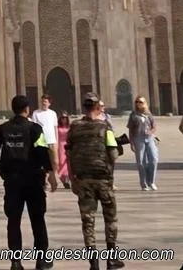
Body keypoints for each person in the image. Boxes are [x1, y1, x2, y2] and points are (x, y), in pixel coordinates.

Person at [0, 93, 56, 268]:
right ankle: (41, 259)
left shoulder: (3, 128)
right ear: (27, 109)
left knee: (13, 220)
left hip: (12, 181)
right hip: (33, 180)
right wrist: (51, 173)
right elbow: (42, 151)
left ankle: (15, 261)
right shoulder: (34, 129)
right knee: (37, 218)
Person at [66, 92, 123, 266]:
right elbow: (113, 154)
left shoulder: (74, 127)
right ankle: (112, 258)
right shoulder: (105, 127)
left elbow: (68, 153)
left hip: (83, 179)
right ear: (98, 107)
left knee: (88, 220)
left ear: (84, 107)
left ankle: (94, 263)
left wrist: (72, 178)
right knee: (110, 218)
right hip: (103, 179)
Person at [126, 96, 158, 191]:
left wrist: (151, 132)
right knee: (141, 162)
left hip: (149, 138)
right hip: (138, 139)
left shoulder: (148, 114)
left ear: (144, 103)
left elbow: (154, 126)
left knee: (153, 159)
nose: (138, 103)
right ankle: (144, 184)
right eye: (137, 102)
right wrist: (131, 143)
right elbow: (130, 130)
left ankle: (151, 181)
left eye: (140, 102)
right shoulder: (133, 115)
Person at [32, 94, 59, 172]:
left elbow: (55, 128)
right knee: (42, 163)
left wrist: (56, 141)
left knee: (55, 162)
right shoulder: (36, 113)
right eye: (42, 101)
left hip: (52, 141)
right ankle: (45, 180)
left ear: (49, 103)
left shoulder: (53, 113)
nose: (44, 103)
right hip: (41, 142)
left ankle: (54, 177)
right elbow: (33, 128)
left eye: (45, 102)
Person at [56, 112, 71, 189]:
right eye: (62, 117)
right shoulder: (57, 127)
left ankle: (66, 179)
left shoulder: (70, 127)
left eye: (65, 118)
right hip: (60, 145)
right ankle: (62, 178)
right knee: (61, 162)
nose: (64, 119)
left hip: (67, 145)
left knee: (67, 162)